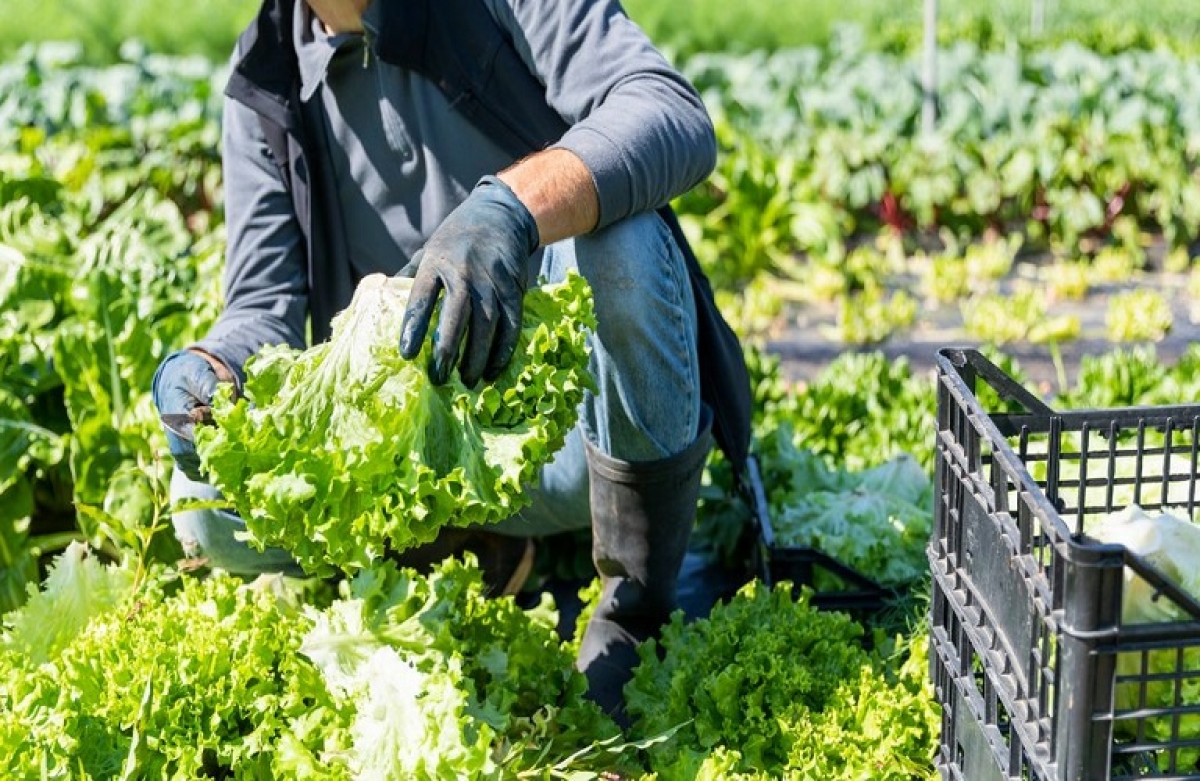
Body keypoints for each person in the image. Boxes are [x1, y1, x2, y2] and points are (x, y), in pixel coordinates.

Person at [152, 0, 723, 723]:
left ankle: (632, 607)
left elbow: (669, 110)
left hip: (570, 444)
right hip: (416, 463)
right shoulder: (265, 75)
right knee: (202, 510)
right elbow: (263, 305)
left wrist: (514, 207)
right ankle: (460, 547)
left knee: (624, 242)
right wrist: (216, 369)